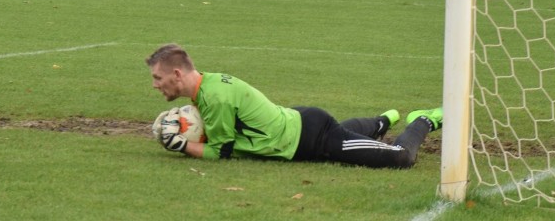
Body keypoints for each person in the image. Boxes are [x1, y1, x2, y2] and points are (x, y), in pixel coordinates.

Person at [146, 44, 442, 167]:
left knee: (401, 158)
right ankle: (382, 121)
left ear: (176, 74)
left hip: (313, 137)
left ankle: (422, 120)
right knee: (349, 135)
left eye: (158, 78)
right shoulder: (207, 86)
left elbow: (220, 151)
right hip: (299, 126)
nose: (155, 84)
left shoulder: (214, 97)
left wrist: (180, 144)